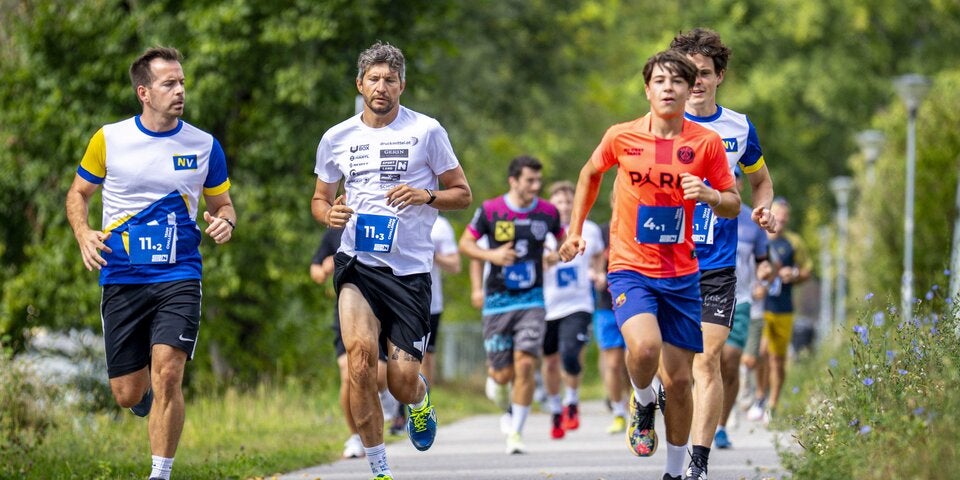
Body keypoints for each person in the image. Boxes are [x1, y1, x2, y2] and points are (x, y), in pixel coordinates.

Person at [558, 50, 739, 480]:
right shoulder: (622, 136)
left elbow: (733, 202)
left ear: (687, 89)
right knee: (642, 348)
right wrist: (575, 230)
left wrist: (711, 196)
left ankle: (675, 473)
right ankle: (641, 397)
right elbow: (589, 174)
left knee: (679, 383)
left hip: (681, 274)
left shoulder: (705, 143)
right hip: (630, 266)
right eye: (660, 80)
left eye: (678, 81)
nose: (669, 88)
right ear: (647, 88)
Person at [65, 46, 236, 480]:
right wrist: (84, 233)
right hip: (121, 274)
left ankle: (159, 473)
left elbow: (223, 204)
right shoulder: (109, 138)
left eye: (182, 82)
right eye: (169, 83)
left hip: (179, 273)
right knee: (127, 393)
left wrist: (225, 223)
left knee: (169, 372)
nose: (180, 90)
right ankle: (140, 397)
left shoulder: (204, 145)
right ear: (144, 91)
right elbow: (78, 194)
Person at [311, 41, 472, 480]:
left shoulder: (427, 131)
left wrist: (426, 195)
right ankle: (380, 468)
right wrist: (330, 214)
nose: (382, 87)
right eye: (374, 79)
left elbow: (462, 193)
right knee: (360, 361)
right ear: (360, 83)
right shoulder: (337, 137)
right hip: (357, 265)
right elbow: (320, 198)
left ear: (402, 85)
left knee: (401, 381)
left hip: (410, 273)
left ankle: (418, 401)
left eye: (390, 79)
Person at [669, 28, 777, 479]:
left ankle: (698, 462)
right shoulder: (658, 125)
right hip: (666, 262)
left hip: (716, 262)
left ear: (720, 77)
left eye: (706, 74)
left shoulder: (738, 127)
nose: (696, 82)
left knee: (706, 361)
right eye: (688, 73)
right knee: (671, 373)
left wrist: (765, 209)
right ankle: (652, 400)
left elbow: (761, 183)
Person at [459, 155, 563, 454]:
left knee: (528, 363)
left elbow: (564, 243)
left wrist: (557, 255)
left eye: (538, 180)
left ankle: (516, 433)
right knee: (502, 375)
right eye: (530, 180)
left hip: (532, 300)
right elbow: (465, 244)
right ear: (513, 181)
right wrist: (491, 256)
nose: (536, 185)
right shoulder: (491, 211)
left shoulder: (548, 212)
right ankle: (503, 397)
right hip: (497, 303)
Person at [310, 227, 399, 458]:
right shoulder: (334, 233)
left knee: (379, 375)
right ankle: (355, 436)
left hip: (383, 308)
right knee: (348, 375)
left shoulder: (384, 221)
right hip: (347, 311)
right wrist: (325, 268)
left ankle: (387, 396)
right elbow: (316, 272)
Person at [541, 181, 604, 439]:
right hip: (547, 304)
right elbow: (540, 262)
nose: (565, 206)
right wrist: (555, 254)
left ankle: (572, 400)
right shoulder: (544, 231)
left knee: (570, 354)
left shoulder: (589, 229)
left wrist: (598, 272)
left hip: (578, 303)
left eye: (569, 201)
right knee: (551, 360)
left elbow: (599, 254)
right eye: (559, 202)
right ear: (551, 205)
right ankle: (556, 409)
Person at [712, 169, 770, 449]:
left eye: (736, 176)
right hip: (707, 296)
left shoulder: (750, 220)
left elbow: (763, 261)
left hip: (742, 299)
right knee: (708, 361)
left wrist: (765, 276)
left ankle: (721, 426)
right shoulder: (703, 212)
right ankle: (704, 419)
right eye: (726, 175)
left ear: (741, 183)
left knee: (731, 361)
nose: (732, 180)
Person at [747, 197, 811, 425]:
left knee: (777, 359)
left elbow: (806, 271)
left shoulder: (793, 243)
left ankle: (772, 403)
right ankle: (760, 395)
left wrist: (793, 274)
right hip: (760, 307)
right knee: (759, 353)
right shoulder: (758, 237)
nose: (781, 222)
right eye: (778, 217)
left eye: (785, 218)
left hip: (783, 307)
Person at [593, 191, 632, 435]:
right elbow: (592, 261)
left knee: (635, 358)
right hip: (606, 306)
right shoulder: (600, 232)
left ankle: (639, 404)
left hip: (633, 304)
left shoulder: (639, 229)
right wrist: (595, 274)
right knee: (613, 363)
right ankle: (619, 411)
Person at [423, 214, 462, 385]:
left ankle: (422, 407)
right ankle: (394, 408)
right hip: (390, 297)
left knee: (424, 356)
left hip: (429, 301)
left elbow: (455, 265)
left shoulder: (439, 225)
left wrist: (434, 255)